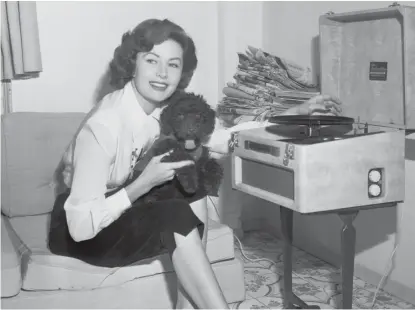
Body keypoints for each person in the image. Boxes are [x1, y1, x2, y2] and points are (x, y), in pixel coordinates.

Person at [48, 18, 342, 309]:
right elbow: (80, 227)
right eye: (152, 61)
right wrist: (141, 185)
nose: (162, 73)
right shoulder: (104, 125)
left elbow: (221, 139)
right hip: (81, 229)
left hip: (117, 209)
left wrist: (292, 114)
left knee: (188, 184)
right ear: (132, 63)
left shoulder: (166, 109)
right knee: (173, 212)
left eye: (173, 64)